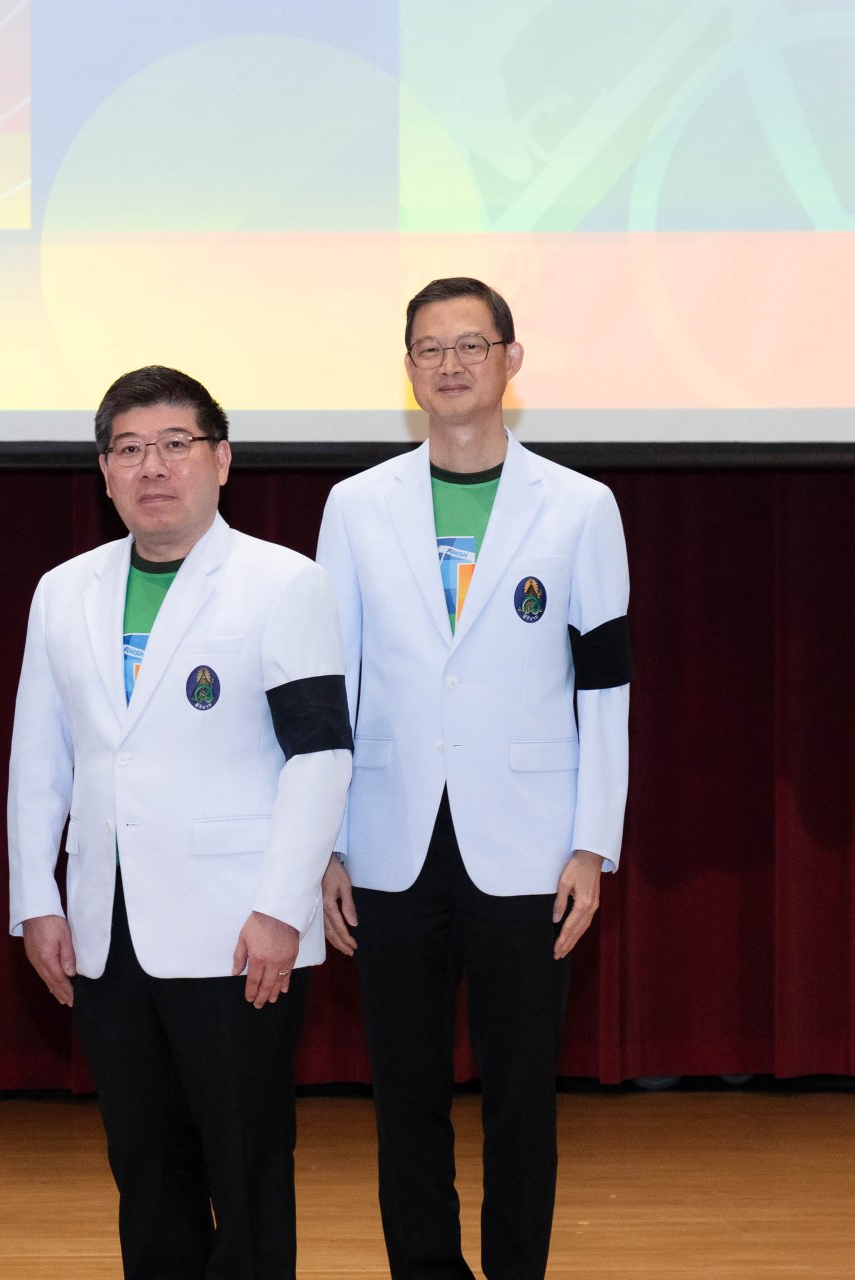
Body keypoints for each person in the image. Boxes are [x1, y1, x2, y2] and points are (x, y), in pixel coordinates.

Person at [315, 277, 632, 1280]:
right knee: (404, 1096)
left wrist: (593, 842)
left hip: (532, 847)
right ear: (408, 368)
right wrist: (324, 841)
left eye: (471, 345)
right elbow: (332, 681)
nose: (450, 364)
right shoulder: (355, 505)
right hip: (388, 840)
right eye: (430, 348)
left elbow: (606, 686)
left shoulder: (580, 507)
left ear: (511, 359)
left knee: (521, 1098)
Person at [7, 366, 354, 1279]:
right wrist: (36, 900)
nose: (152, 467)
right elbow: (39, 758)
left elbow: (320, 756)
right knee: (145, 1169)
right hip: (106, 929)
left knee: (245, 1170)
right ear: (104, 472)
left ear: (221, 459)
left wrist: (280, 909)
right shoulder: (63, 590)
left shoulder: (283, 582)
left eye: (174, 445)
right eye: (129, 450)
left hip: (237, 929)